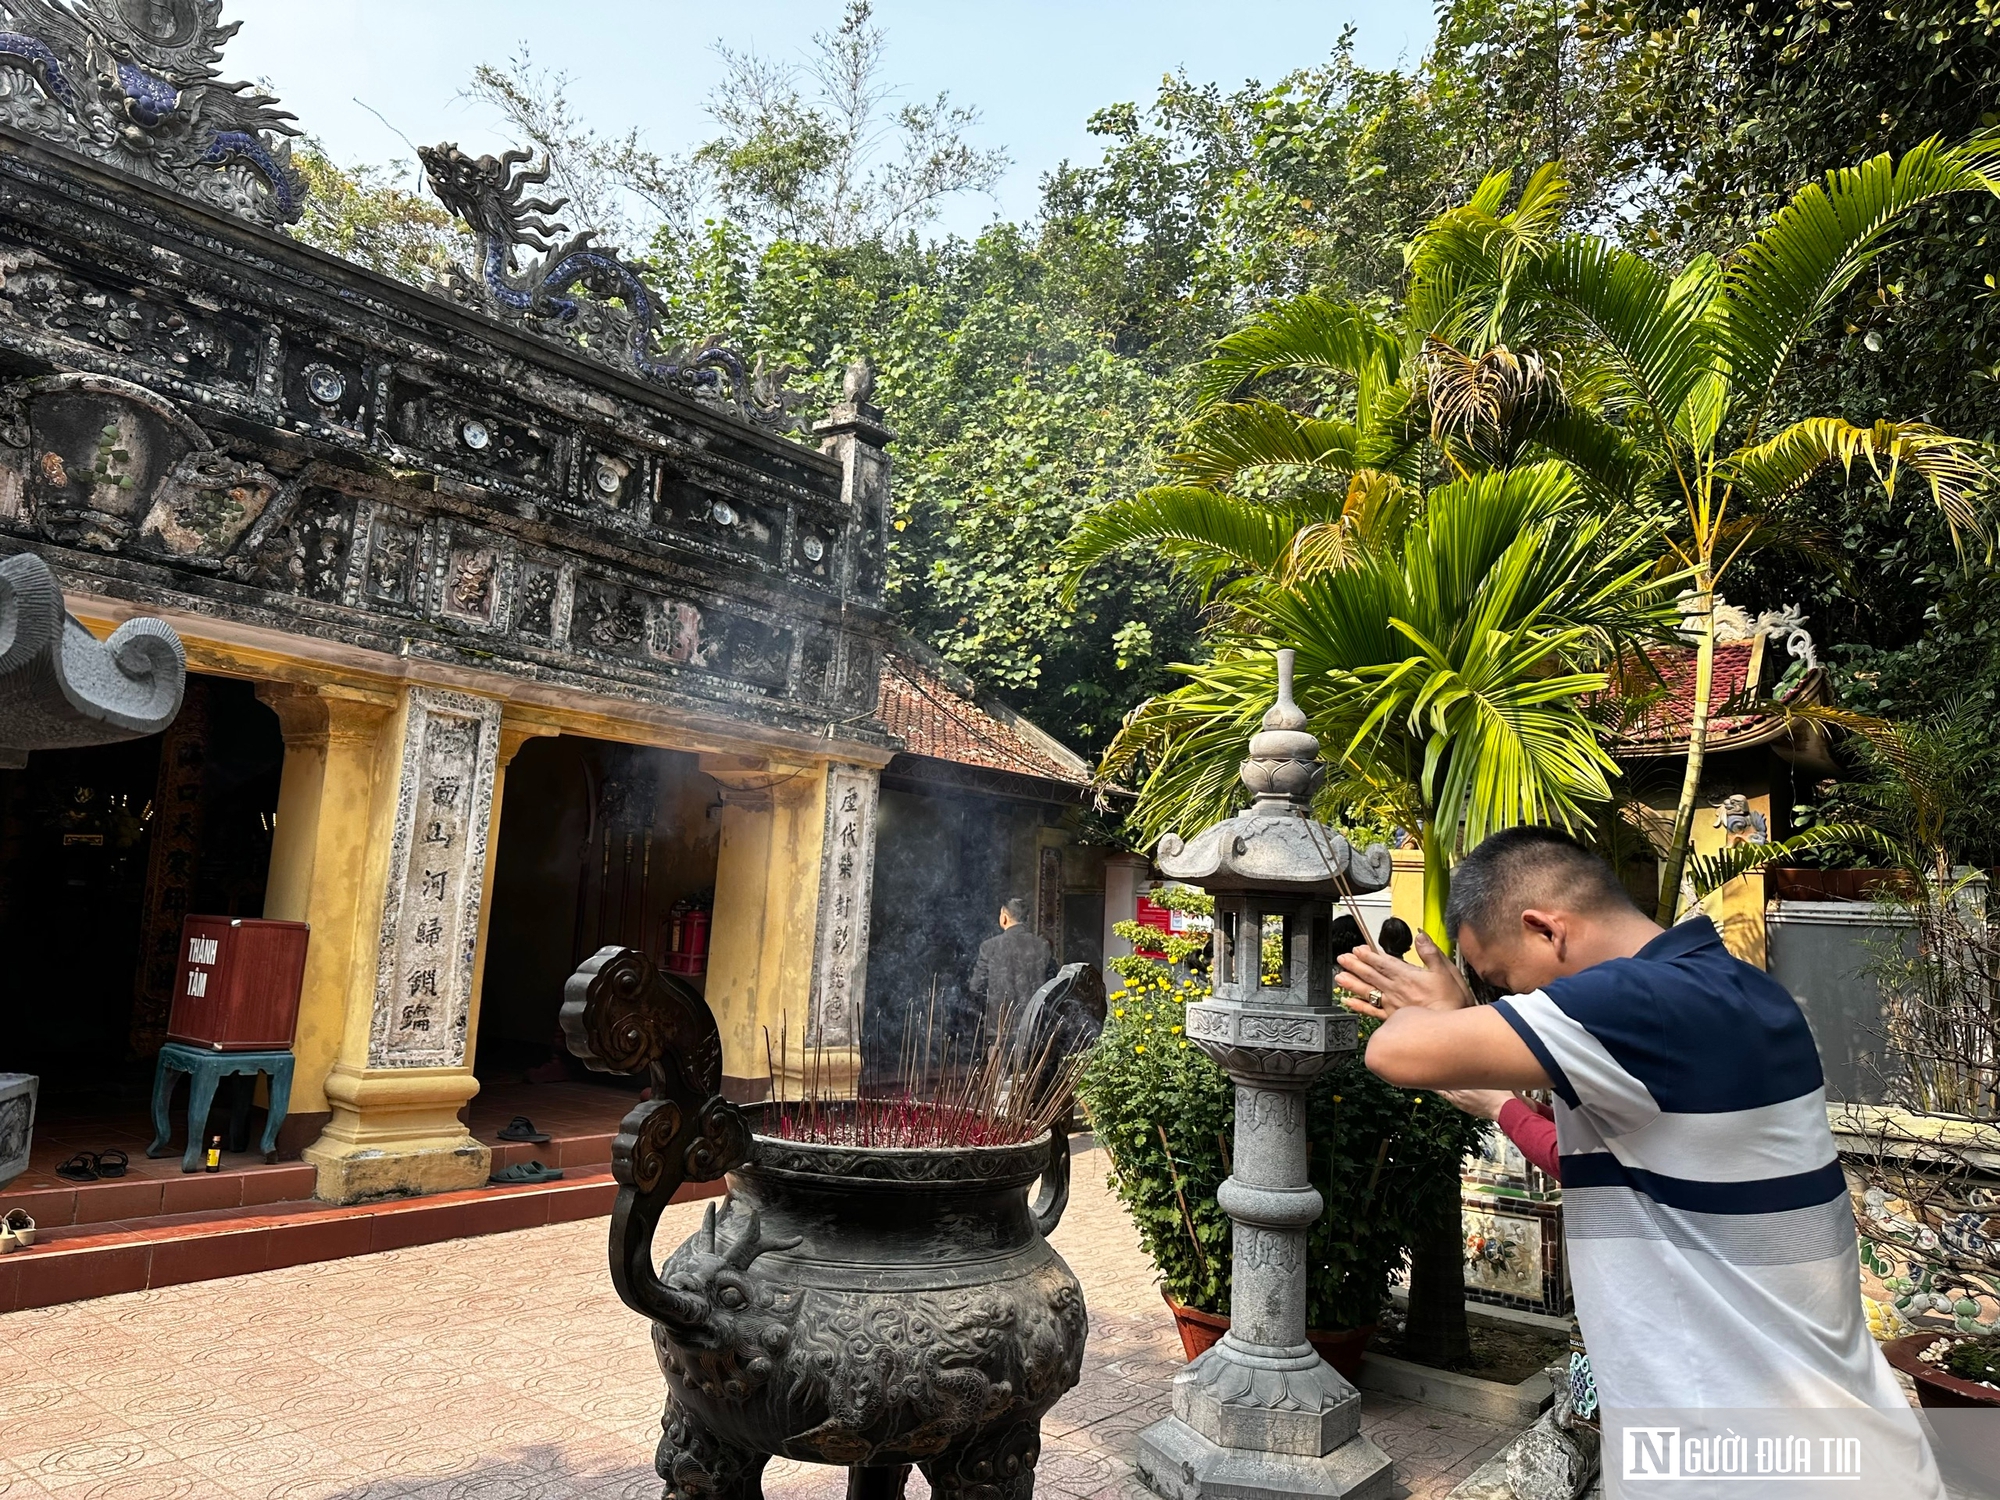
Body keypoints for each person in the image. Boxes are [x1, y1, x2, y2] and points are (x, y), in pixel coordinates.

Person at [1333, 826, 1941, 1498]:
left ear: (1546, 931)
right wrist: (1501, 1107)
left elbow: (1394, 1052)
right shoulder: (1735, 989)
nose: (1506, 1000)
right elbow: (1600, 1163)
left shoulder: (1638, 1003)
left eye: (1503, 980)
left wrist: (1445, 1013)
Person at [968, 897, 1052, 1047]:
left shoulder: (990, 947)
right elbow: (1053, 985)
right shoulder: (1042, 946)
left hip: (1000, 1028)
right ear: (1027, 918)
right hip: (1034, 1028)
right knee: (1031, 1070)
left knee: (1000, 1069)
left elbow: (976, 986)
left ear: (1004, 917)